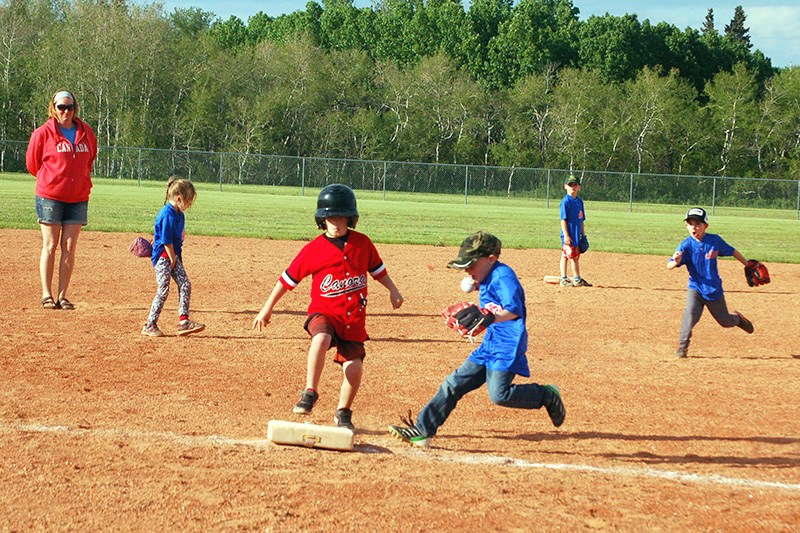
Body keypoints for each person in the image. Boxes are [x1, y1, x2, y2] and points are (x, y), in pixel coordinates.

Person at [388, 231, 566, 448]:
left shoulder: (504, 277)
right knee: (453, 384)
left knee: (499, 395)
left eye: (471, 265)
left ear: (491, 259)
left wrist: (487, 318)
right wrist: (475, 284)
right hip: (491, 342)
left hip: (508, 344)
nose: (467, 270)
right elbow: (484, 288)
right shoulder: (486, 274)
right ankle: (423, 430)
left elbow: (514, 310)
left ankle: (546, 395)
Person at [252, 184, 404, 430]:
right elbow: (287, 280)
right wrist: (267, 308)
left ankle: (343, 411)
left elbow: (378, 271)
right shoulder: (313, 249)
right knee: (320, 338)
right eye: (330, 217)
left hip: (353, 319)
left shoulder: (363, 244)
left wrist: (393, 290)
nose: (336, 222)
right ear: (322, 220)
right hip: (324, 313)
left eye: (341, 216)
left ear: (350, 218)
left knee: (354, 367)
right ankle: (310, 391)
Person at [26, 89, 98, 310]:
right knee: (50, 244)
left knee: (69, 245)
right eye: (61, 107)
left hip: (77, 197)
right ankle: (47, 294)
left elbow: (89, 160)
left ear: (76, 108)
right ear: (54, 108)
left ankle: (63, 295)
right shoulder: (43, 133)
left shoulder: (86, 132)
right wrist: (53, 179)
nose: (66, 111)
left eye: (70, 107)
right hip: (50, 196)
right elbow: (32, 164)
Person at [667, 207, 754, 358]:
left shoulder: (714, 241)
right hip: (695, 288)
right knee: (690, 316)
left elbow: (732, 251)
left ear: (706, 226)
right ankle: (682, 347)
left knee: (725, 321)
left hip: (714, 290)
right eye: (691, 223)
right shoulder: (685, 245)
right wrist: (676, 261)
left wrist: (746, 264)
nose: (694, 227)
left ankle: (738, 319)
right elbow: (668, 265)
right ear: (686, 226)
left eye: (698, 223)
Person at [141, 176, 205, 337]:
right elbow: (167, 241)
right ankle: (150, 324)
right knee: (163, 289)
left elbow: (177, 242)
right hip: (164, 257)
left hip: (173, 256)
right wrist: (172, 260)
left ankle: (184, 322)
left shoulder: (179, 215)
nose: (190, 204)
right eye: (189, 200)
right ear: (178, 198)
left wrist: (177, 260)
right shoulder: (166, 215)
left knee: (185, 284)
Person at [559, 174, 591, 287]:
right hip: (568, 234)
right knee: (566, 255)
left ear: (579, 187)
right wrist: (566, 235)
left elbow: (581, 219)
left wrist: (583, 234)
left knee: (575, 256)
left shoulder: (579, 202)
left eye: (575, 185)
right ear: (565, 186)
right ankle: (565, 279)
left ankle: (577, 278)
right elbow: (563, 220)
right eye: (570, 184)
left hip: (577, 234)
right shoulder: (565, 202)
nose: (573, 187)